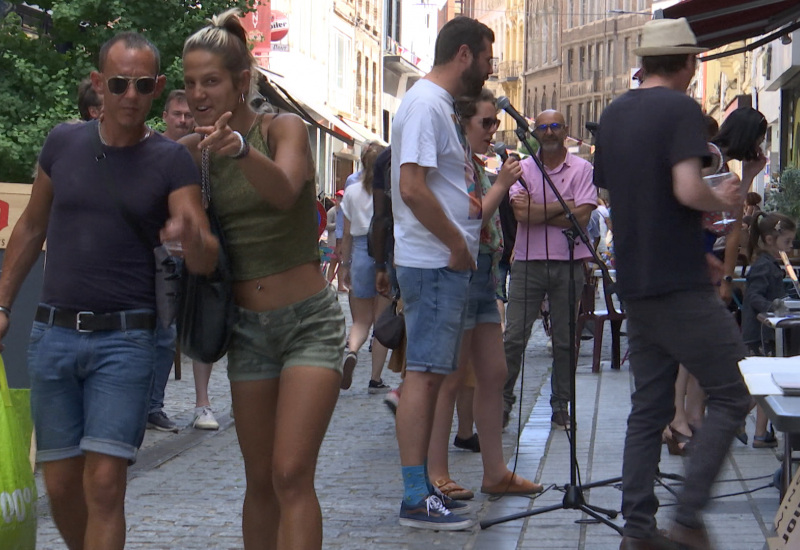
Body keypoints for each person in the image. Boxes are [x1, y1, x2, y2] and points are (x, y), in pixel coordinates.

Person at [0, 32, 217, 550]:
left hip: (126, 340)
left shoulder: (171, 161)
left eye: (143, 85)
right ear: (99, 84)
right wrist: (3, 301)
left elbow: (205, 258)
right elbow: (31, 227)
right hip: (52, 334)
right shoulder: (62, 143)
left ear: (158, 87)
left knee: (104, 483)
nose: (130, 95)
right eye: (119, 83)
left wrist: (191, 236)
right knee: (59, 484)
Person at [181, 10, 346, 548]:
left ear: (241, 83)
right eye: (191, 83)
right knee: (259, 481)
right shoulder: (196, 156)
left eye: (212, 81)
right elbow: (204, 256)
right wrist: (187, 237)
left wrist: (241, 150)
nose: (200, 94)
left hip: (309, 325)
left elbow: (284, 191)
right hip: (247, 330)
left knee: (291, 472)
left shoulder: (282, 128)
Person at [593, 18, 751, 550]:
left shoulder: (612, 115)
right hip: (676, 284)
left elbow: (625, 198)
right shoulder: (682, 109)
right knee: (735, 392)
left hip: (635, 278)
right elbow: (686, 189)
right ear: (687, 63)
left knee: (649, 408)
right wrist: (724, 201)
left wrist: (688, 238)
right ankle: (687, 517)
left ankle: (637, 529)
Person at [390, 15, 494, 530]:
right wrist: (456, 244)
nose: (490, 68)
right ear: (465, 55)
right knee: (425, 378)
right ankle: (414, 496)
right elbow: (412, 187)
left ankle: (424, 488)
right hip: (434, 262)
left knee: (431, 376)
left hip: (439, 262)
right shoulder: (428, 104)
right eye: (487, 57)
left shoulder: (434, 105)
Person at [426, 88, 542, 502]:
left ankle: (495, 471)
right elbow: (472, 214)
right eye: (486, 122)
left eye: (496, 122)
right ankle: (436, 472)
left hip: (484, 276)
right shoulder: (455, 162)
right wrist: (504, 182)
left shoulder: (474, 163)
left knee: (493, 373)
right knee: (450, 378)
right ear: (463, 122)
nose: (493, 130)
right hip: (458, 273)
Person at [502, 109, 597, 431]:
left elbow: (583, 218)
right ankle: (502, 404)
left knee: (566, 341)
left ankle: (561, 406)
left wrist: (541, 211)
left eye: (555, 126)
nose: (549, 132)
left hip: (569, 263)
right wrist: (568, 205)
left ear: (566, 130)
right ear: (535, 133)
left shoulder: (583, 168)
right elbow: (522, 215)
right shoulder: (523, 169)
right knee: (514, 337)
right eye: (543, 127)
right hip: (528, 263)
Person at [147, 88, 199, 434]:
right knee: (145, 332)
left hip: (189, 255)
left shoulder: (204, 154)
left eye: (188, 115)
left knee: (168, 335)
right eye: (177, 114)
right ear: (165, 116)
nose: (182, 120)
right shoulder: (151, 152)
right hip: (153, 255)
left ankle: (153, 405)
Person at [339, 142, 393, 393]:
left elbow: (347, 234)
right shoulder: (390, 192)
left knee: (360, 320)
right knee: (381, 321)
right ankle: (375, 379)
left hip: (360, 252)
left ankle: (351, 351)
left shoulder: (351, 192)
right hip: (385, 252)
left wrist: (345, 265)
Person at [741, 212, 797, 448]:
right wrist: (771, 309)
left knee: (767, 385)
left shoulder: (767, 264)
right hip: (761, 333)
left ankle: (761, 433)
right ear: (770, 239)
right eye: (787, 242)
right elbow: (754, 296)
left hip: (764, 333)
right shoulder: (763, 266)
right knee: (764, 386)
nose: (791, 248)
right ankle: (736, 418)